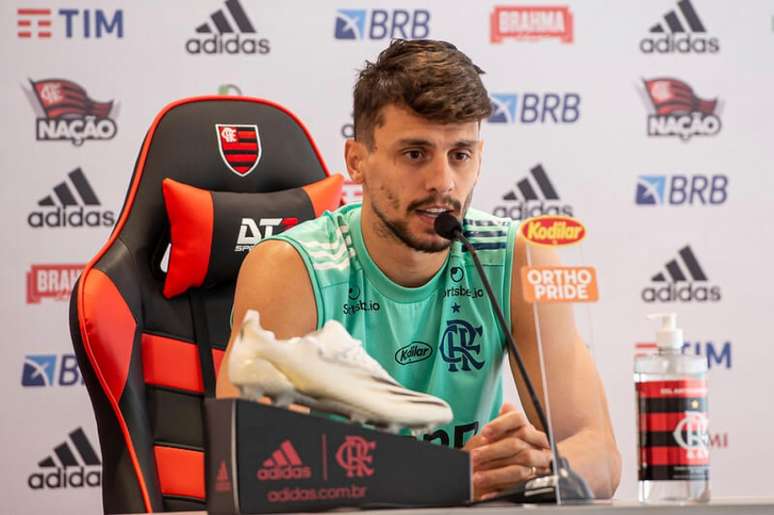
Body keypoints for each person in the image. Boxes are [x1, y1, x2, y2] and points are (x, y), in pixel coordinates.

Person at [217, 39, 621, 499]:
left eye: (460, 155)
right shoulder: (291, 268)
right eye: (415, 154)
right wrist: (440, 477)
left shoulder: (513, 259)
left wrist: (535, 465)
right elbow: (253, 467)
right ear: (357, 161)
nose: (443, 182)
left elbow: (602, 457)